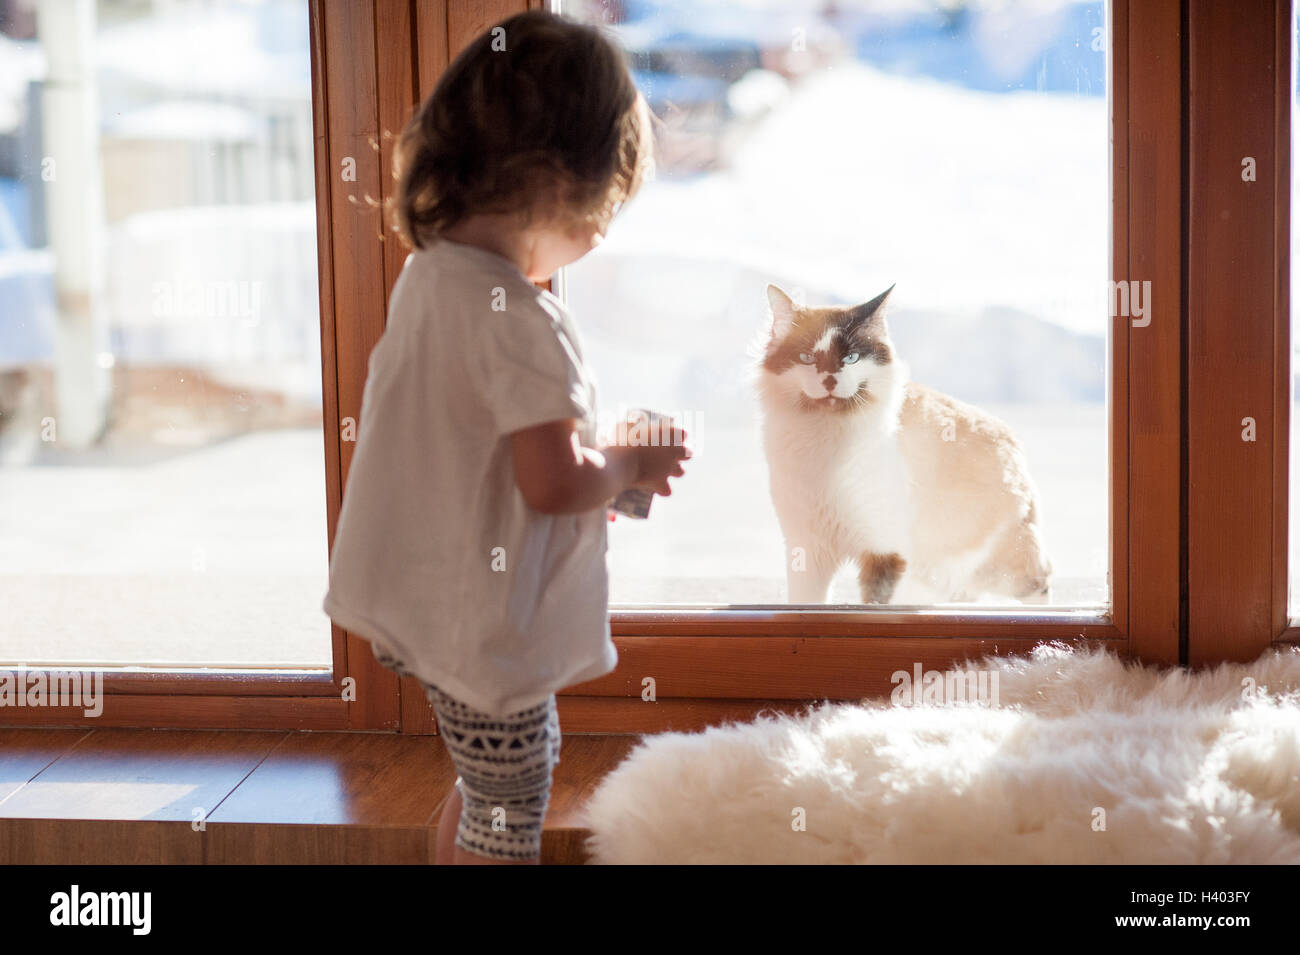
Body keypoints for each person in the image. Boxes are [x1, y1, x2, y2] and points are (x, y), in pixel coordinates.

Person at [321, 9, 690, 865]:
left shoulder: (431, 278)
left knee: (482, 780)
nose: (600, 234)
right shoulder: (522, 320)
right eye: (605, 208)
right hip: (476, 624)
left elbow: (484, 453)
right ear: (559, 183)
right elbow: (553, 483)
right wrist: (630, 461)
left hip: (418, 603)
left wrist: (613, 473)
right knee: (514, 794)